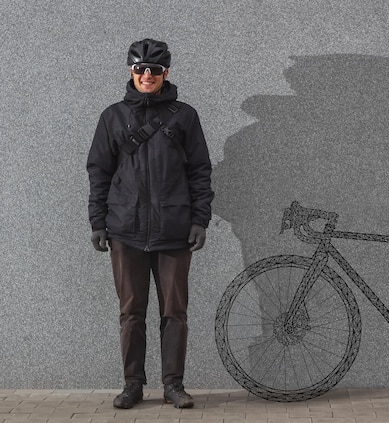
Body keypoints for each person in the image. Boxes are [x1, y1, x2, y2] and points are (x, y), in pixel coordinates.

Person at [86, 38, 214, 409]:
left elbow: (200, 172)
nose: (146, 76)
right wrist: (98, 222)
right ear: (131, 71)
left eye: (154, 70)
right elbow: (99, 172)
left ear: (165, 73)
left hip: (174, 232)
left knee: (174, 312)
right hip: (125, 231)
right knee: (131, 313)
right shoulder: (112, 117)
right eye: (140, 69)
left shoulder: (184, 116)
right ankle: (133, 385)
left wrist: (199, 220)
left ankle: (174, 384)